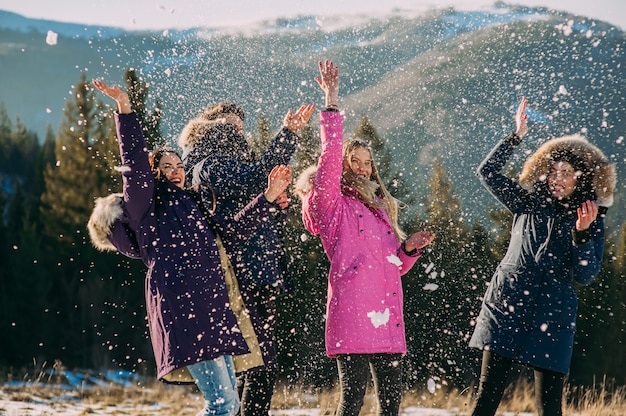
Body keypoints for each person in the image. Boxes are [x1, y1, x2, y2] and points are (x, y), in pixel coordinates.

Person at [88, 80, 292, 416]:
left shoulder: (195, 205)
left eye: (178, 166)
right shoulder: (146, 207)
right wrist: (125, 109)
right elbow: (135, 164)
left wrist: (268, 197)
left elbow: (234, 230)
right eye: (166, 167)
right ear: (154, 175)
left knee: (230, 403)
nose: (175, 171)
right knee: (223, 404)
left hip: (214, 309)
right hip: (185, 310)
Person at [295, 60, 435, 416]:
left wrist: (408, 248)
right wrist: (331, 102)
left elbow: (395, 265)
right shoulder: (331, 204)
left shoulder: (380, 209)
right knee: (353, 401)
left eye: (367, 162)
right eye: (354, 161)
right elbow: (328, 158)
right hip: (354, 308)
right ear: (342, 166)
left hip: (387, 310)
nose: (362, 167)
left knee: (390, 405)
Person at [468, 97, 616, 416]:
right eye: (554, 171)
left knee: (549, 407)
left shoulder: (591, 217)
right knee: (487, 397)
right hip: (507, 302)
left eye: (566, 172)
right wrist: (516, 135)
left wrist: (582, 233)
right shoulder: (526, 202)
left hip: (554, 312)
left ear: (581, 178)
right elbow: (486, 172)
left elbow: (586, 275)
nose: (557, 178)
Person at [178, 99, 315, 415]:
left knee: (253, 361)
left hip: (254, 271)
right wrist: (288, 134)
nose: (237, 133)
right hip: (243, 274)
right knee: (258, 363)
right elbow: (255, 179)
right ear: (212, 128)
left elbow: (250, 200)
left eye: (240, 127)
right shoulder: (210, 163)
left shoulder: (219, 162)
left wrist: (277, 208)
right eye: (230, 127)